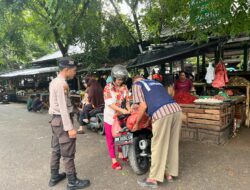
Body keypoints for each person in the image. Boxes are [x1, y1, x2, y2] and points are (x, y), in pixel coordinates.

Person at [132, 75, 182, 188]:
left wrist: (137, 123)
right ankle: (169, 173)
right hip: (176, 110)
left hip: (162, 113)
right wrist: (149, 119)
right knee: (171, 144)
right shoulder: (156, 83)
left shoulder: (137, 85)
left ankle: (153, 179)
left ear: (134, 81)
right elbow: (157, 100)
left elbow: (143, 106)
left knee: (158, 146)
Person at [48, 57, 90, 189]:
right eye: (74, 70)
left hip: (55, 121)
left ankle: (54, 177)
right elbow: (63, 108)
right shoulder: (61, 84)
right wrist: (70, 127)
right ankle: (72, 182)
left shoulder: (54, 82)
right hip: (62, 121)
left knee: (56, 150)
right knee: (68, 153)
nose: (75, 73)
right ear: (66, 70)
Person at [103, 64, 131, 170]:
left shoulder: (124, 87)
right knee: (110, 138)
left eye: (122, 79)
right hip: (110, 117)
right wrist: (122, 110)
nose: (120, 81)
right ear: (114, 78)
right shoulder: (108, 87)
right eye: (118, 79)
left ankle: (121, 153)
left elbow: (127, 101)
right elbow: (110, 104)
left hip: (120, 117)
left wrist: (129, 109)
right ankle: (114, 160)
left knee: (122, 135)